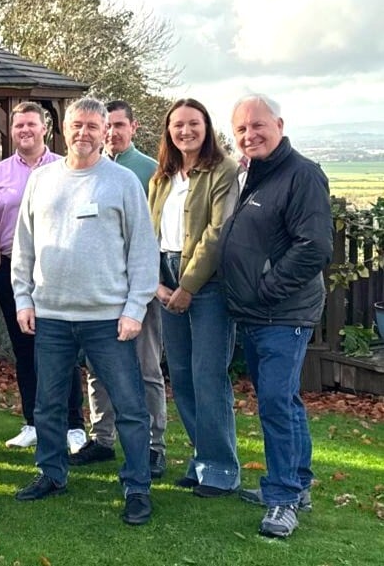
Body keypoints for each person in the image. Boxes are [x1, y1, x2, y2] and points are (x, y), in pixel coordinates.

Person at [11, 97, 159, 526]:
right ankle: (51, 473)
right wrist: (24, 298)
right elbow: (23, 244)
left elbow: (143, 251)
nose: (85, 133)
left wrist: (135, 308)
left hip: (108, 318)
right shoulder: (42, 180)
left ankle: (136, 485)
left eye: (94, 126)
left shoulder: (123, 181)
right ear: (63, 129)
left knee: (130, 407)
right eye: (77, 125)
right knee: (48, 406)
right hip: (53, 315)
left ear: (105, 131)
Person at [220, 94, 331, 538]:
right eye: (242, 129)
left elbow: (315, 248)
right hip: (257, 313)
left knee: (274, 403)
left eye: (258, 125)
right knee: (285, 400)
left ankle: (282, 499)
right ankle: (298, 484)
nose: (250, 135)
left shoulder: (301, 174)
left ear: (279, 125)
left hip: (282, 314)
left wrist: (267, 289)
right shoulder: (252, 174)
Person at [0, 102, 87, 452]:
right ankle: (32, 422)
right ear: (12, 131)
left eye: (31, 124)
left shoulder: (64, 168)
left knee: (62, 348)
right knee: (25, 349)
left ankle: (73, 425)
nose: (24, 130)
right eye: (18, 125)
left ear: (44, 128)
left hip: (58, 268)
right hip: (13, 270)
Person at [71, 100, 168, 479]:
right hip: (100, 292)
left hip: (138, 290)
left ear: (133, 127)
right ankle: (103, 437)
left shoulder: (148, 172)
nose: (110, 133)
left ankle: (153, 445)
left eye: (117, 126)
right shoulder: (87, 170)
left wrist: (148, 286)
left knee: (145, 368)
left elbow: (152, 234)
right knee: (97, 368)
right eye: (105, 126)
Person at [149, 98, 241, 498]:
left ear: (207, 127)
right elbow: (147, 235)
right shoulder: (161, 178)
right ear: (168, 131)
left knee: (207, 376)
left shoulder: (223, 171)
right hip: (165, 279)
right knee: (182, 376)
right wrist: (156, 283)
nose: (185, 131)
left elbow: (218, 234)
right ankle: (202, 459)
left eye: (193, 124)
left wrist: (187, 286)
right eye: (177, 125)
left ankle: (221, 469)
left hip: (208, 285)